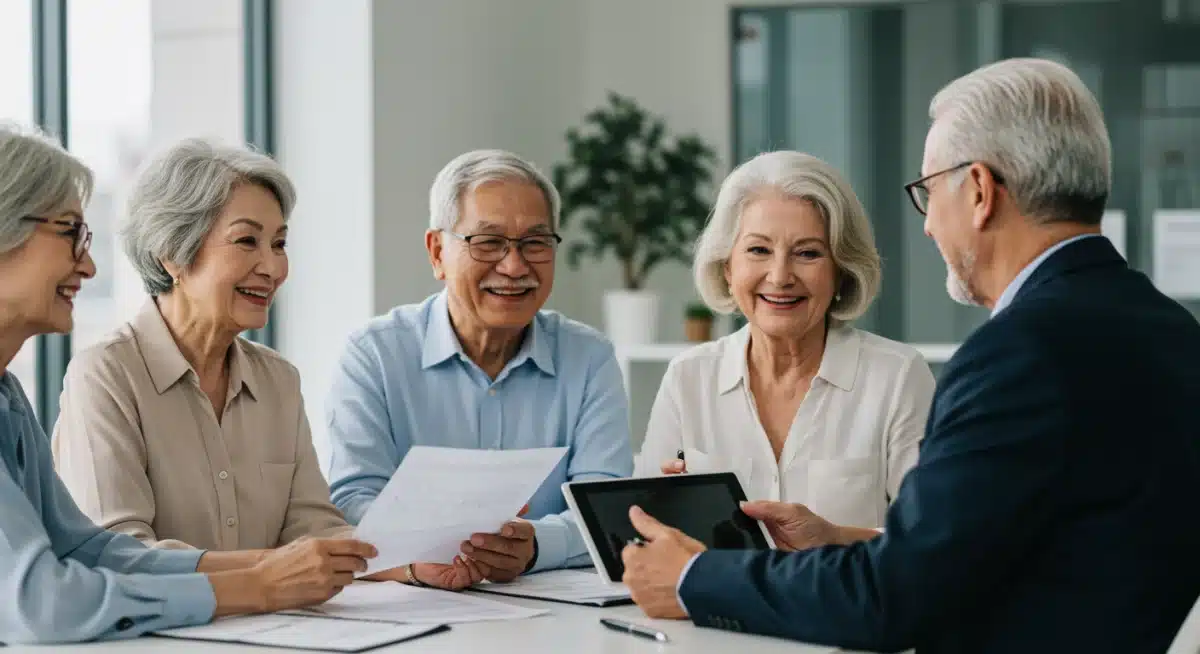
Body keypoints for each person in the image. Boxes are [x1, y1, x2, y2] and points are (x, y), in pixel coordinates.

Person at [619, 58, 1200, 653]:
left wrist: (695, 579)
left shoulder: (1017, 355)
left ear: (978, 190)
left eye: (928, 192)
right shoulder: (1173, 331)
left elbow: (896, 595)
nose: (926, 228)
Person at [0, 124, 376, 644]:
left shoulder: (8, 399)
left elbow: (89, 551)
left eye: (280, 243)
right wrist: (258, 585)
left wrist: (287, 571)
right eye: (69, 233)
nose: (88, 264)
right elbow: (41, 603)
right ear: (173, 255)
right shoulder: (103, 372)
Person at [325, 149, 632, 585]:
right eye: (488, 242)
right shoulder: (373, 354)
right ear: (437, 252)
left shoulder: (590, 358)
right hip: (411, 605)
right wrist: (421, 559)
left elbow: (605, 505)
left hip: (554, 611)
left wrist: (535, 545)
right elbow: (353, 501)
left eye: (535, 243)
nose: (514, 266)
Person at [634, 151, 935, 531]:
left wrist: (833, 540)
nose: (779, 276)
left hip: (842, 591)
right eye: (758, 250)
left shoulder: (898, 377)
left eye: (807, 254)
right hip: (720, 592)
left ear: (841, 271)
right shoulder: (688, 377)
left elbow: (932, 542)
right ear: (727, 267)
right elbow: (643, 531)